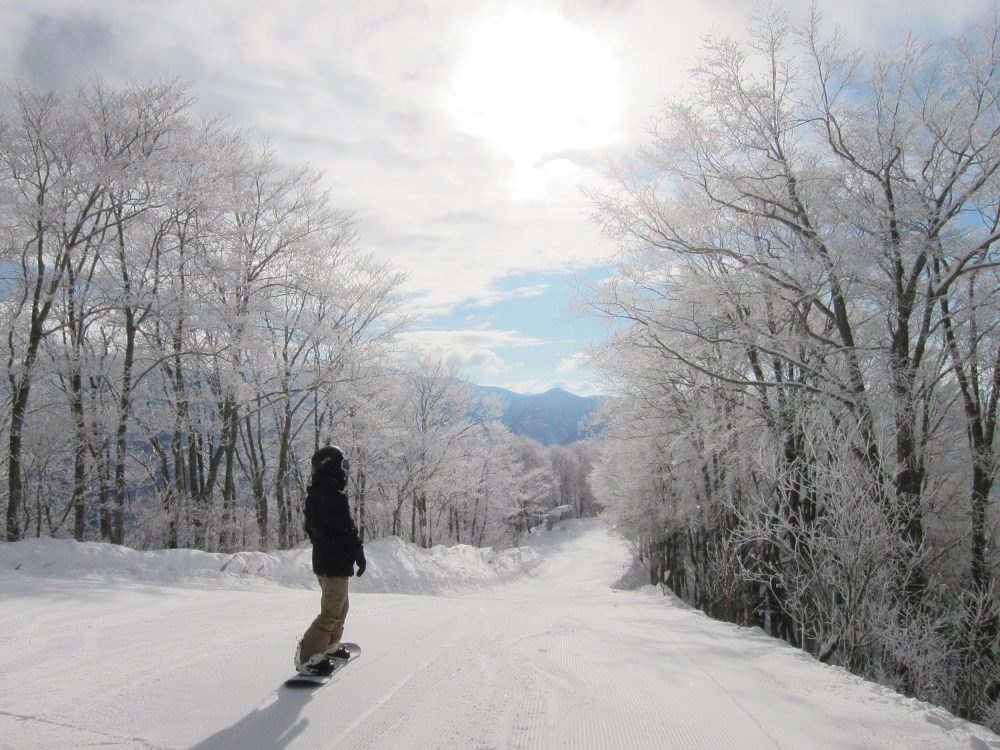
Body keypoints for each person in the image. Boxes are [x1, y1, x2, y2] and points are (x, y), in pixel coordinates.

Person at [295, 444, 367, 676]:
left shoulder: (317, 496)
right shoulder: (332, 498)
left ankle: (329, 645)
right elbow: (347, 529)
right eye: (342, 465)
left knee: (340, 608)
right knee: (331, 612)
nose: (345, 471)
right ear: (330, 468)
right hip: (333, 563)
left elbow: (318, 529)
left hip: (329, 562)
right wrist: (357, 552)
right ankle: (308, 657)